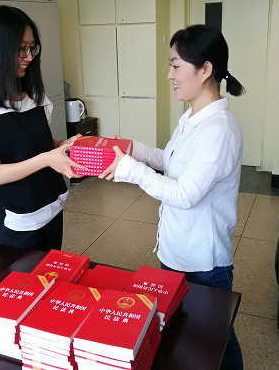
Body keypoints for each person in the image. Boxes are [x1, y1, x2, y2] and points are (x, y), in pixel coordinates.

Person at [100, 24, 244, 369]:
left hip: (203, 262)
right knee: (188, 332)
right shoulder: (192, 117)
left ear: (205, 69)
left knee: (216, 341)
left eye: (176, 65)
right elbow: (170, 161)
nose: (170, 75)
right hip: (177, 250)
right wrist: (132, 150)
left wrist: (130, 170)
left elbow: (185, 193)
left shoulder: (219, 129)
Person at [0, 5, 86, 251]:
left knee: (52, 273)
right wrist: (47, 159)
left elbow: (36, 143)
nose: (29, 57)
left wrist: (62, 145)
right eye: (22, 49)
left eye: (32, 48)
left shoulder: (34, 96)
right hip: (20, 224)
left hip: (53, 208)